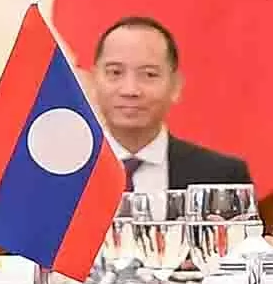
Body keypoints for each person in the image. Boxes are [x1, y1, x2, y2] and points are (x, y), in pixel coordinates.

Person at [88, 15, 253, 205]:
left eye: (149, 74)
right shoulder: (64, 173)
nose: (130, 90)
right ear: (94, 80)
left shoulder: (222, 177)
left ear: (175, 86)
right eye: (115, 73)